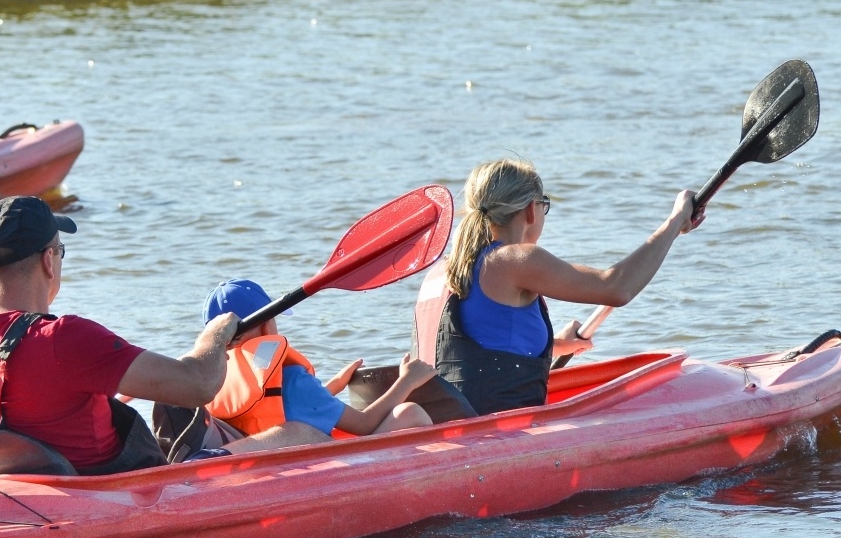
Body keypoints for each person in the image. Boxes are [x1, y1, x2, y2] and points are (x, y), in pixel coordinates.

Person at [0, 196, 252, 487]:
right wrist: (217, 333)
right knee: (288, 431)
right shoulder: (64, 338)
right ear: (48, 260)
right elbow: (198, 385)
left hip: (7, 509)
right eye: (60, 252)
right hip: (104, 510)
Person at [434, 158, 699, 415]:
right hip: (498, 433)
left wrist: (555, 344)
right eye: (543, 204)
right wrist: (675, 221)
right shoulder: (514, 259)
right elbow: (617, 288)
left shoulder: (446, 269)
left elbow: (473, 349)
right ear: (530, 209)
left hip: (452, 422)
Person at [187, 279, 434, 451]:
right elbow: (365, 424)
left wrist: (333, 387)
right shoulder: (293, 379)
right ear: (267, 325)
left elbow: (272, 406)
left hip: (264, 462)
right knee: (409, 413)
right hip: (310, 468)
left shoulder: (211, 378)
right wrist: (407, 380)